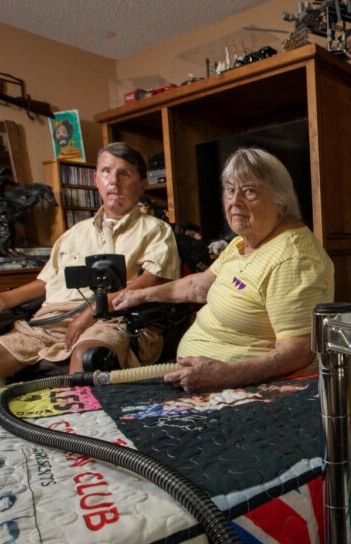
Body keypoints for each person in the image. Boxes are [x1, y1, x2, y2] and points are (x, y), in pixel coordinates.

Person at [0, 142, 180, 392]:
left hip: (114, 320)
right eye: (107, 172)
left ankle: (75, 428)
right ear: (96, 179)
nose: (114, 182)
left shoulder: (155, 230)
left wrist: (91, 313)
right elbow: (45, 283)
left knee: (86, 357)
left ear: (142, 184)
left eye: (124, 173)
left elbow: (149, 284)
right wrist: (0, 299)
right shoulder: (73, 235)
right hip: (50, 321)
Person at [114, 147, 334, 392]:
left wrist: (226, 375)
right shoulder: (245, 241)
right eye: (230, 190)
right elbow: (199, 286)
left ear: (280, 199)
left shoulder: (293, 260)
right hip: (197, 378)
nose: (235, 201)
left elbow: (299, 352)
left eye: (249, 191)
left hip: (244, 388)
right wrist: (139, 295)